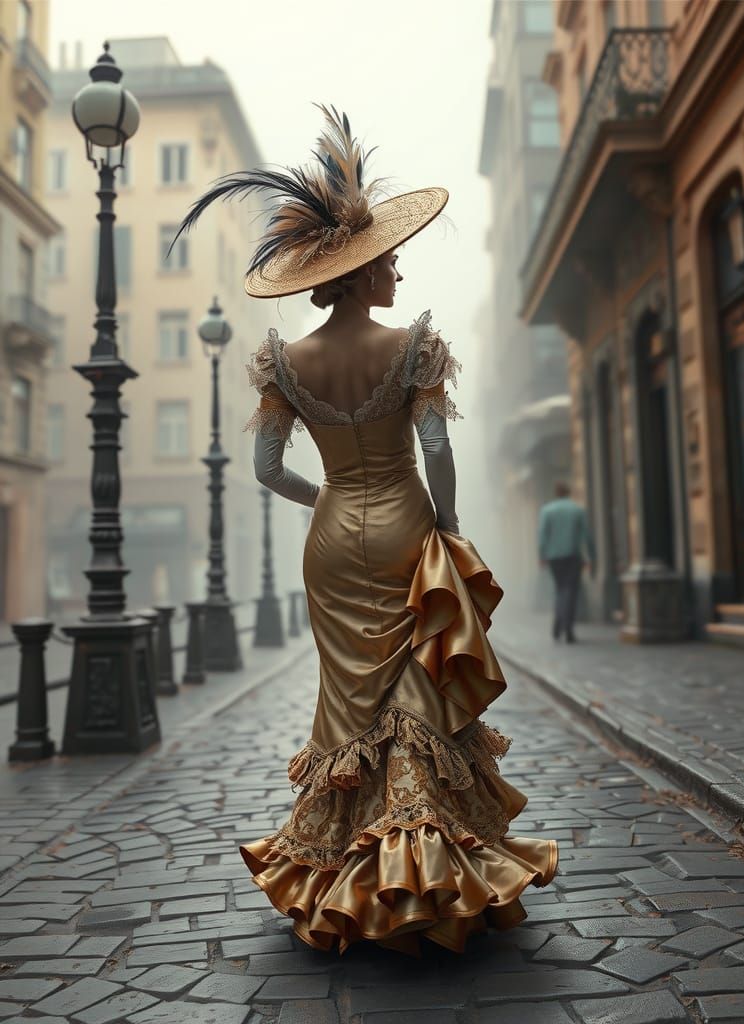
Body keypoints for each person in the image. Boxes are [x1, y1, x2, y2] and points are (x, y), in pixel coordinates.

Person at [172, 104, 557, 956]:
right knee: (417, 700)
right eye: (389, 259)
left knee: (350, 711)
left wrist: (329, 503)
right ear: (359, 271)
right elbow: (437, 448)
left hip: (333, 540)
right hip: (407, 530)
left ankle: (346, 870)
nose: (399, 272)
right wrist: (447, 522)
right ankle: (428, 878)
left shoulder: (283, 362)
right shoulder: (413, 345)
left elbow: (269, 471)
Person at [539, 482, 595, 643]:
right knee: (570, 591)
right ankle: (568, 627)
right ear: (568, 493)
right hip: (573, 556)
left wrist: (542, 555)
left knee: (559, 589)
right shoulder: (577, 510)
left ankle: (558, 623)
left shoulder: (547, 511)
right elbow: (587, 536)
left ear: (556, 493)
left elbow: (543, 535)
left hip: (554, 557)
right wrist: (591, 556)